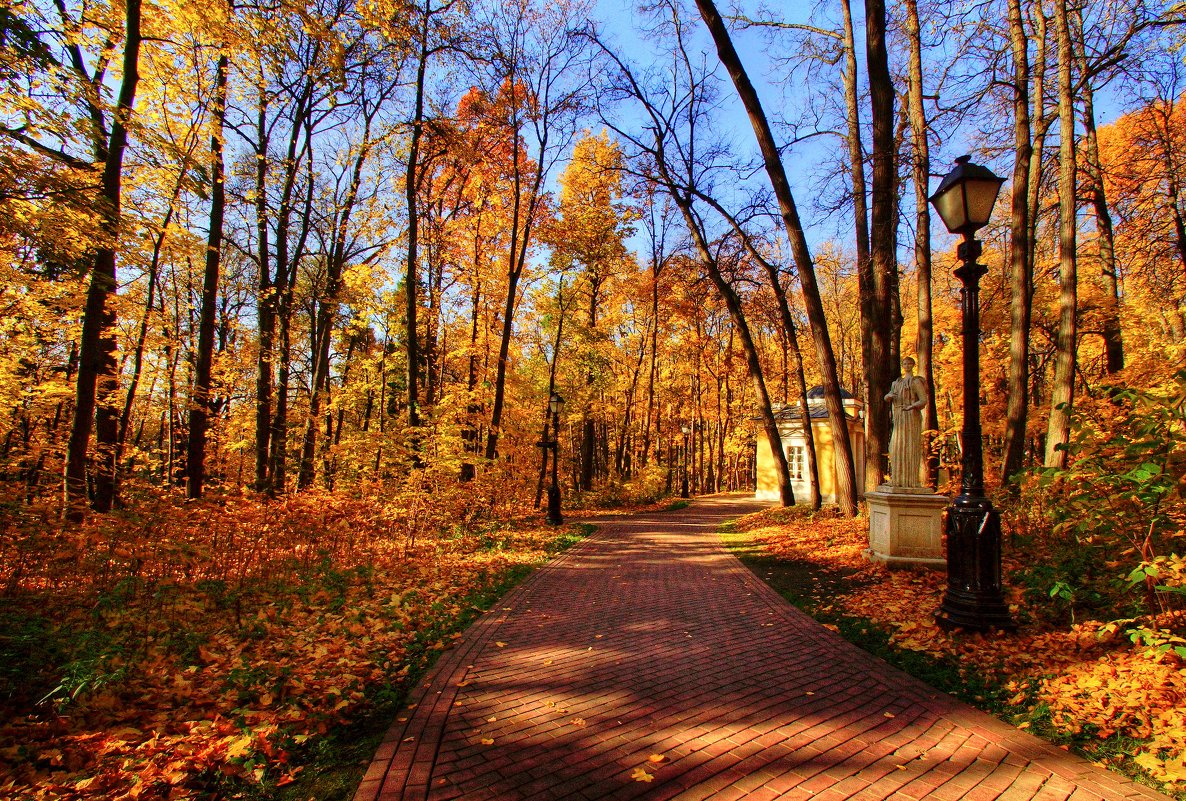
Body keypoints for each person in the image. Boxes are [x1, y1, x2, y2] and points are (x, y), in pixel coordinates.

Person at [884, 357, 928, 488]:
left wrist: (912, 406)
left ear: (913, 365)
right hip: (899, 417)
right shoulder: (896, 383)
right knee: (895, 448)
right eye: (904, 363)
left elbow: (923, 400)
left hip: (910, 417)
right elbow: (887, 397)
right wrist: (889, 396)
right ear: (902, 365)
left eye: (909, 363)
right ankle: (897, 479)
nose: (907, 365)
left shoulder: (915, 382)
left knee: (909, 446)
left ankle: (910, 481)